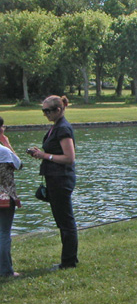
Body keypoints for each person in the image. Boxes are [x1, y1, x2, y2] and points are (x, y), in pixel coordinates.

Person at [27, 96, 78, 270]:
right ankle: (68, 259)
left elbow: (69, 158)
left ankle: (69, 261)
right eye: (43, 111)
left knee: (66, 221)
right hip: (54, 178)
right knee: (62, 220)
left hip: (61, 179)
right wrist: (40, 153)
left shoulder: (63, 128)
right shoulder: (56, 127)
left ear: (59, 110)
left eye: (48, 111)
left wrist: (44, 156)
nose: (45, 114)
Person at [0, 117, 22, 278]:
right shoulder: (4, 152)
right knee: (3, 233)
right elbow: (19, 164)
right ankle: (6, 270)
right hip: (5, 197)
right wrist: (7, 143)